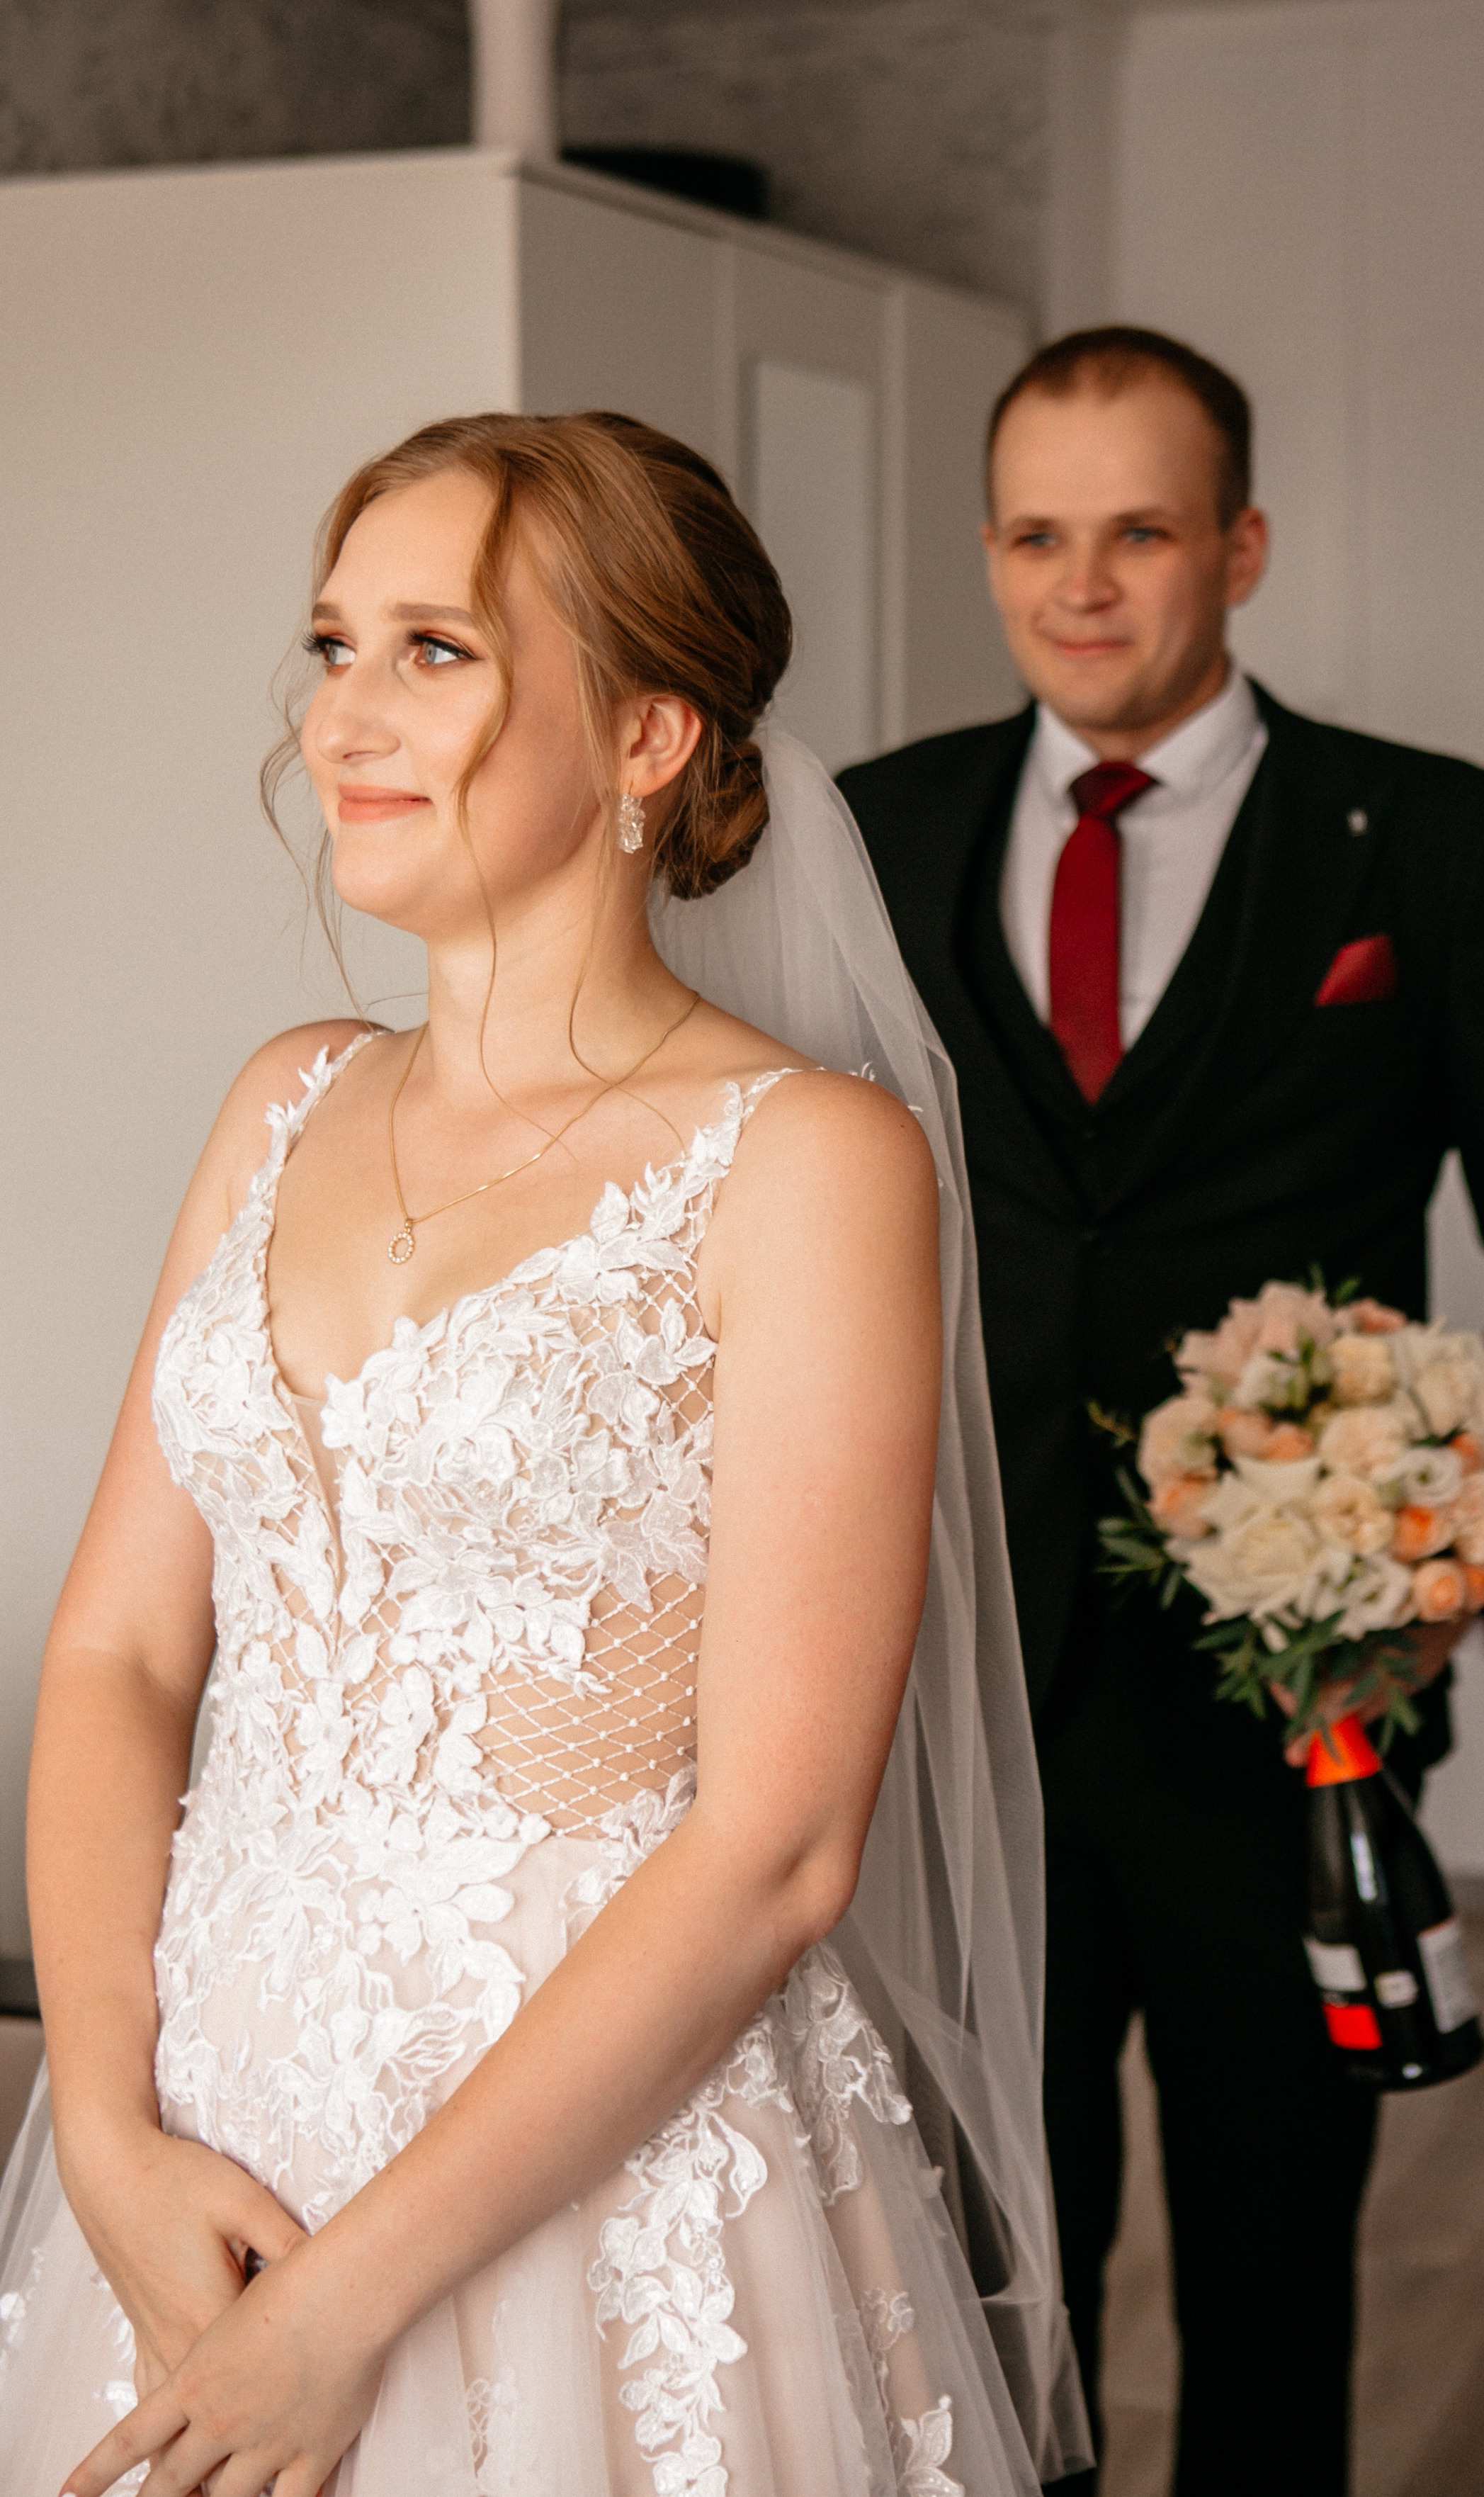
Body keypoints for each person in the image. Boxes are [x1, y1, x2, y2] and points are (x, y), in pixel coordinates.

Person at [0, 412, 1091, 2496]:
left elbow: (778, 1843)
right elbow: (121, 1654)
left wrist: (340, 2310)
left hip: (594, 2168)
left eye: (436, 651)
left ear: (648, 736)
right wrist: (114, 2133)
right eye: (335, 646)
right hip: (206, 2120)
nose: (342, 718)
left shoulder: (805, 1164)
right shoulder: (280, 1100)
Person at [837, 327, 1484, 2494]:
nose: (1081, 584)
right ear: (988, 548)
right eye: (1036, 534)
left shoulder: (1429, 838)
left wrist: (1455, 1548)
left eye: (1140, 532)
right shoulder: (875, 830)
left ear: (1243, 547)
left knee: (1274, 2269)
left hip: (1291, 1704)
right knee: (982, 2270)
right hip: (959, 1696)